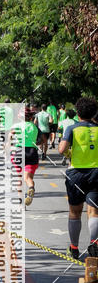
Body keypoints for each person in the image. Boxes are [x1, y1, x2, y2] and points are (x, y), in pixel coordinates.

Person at [58, 96, 98, 259]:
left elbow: (61, 149)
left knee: (75, 212)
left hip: (76, 174)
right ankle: (94, 246)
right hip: (96, 172)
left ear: (78, 113)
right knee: (94, 211)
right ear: (94, 113)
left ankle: (74, 248)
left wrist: (69, 154)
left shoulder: (73, 128)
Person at [10, 107, 39, 206]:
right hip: (32, 152)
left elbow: (10, 136)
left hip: (18, 151)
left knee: (19, 178)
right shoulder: (34, 127)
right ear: (31, 117)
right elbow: (42, 139)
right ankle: (31, 188)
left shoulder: (16, 125)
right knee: (28, 177)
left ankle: (20, 201)